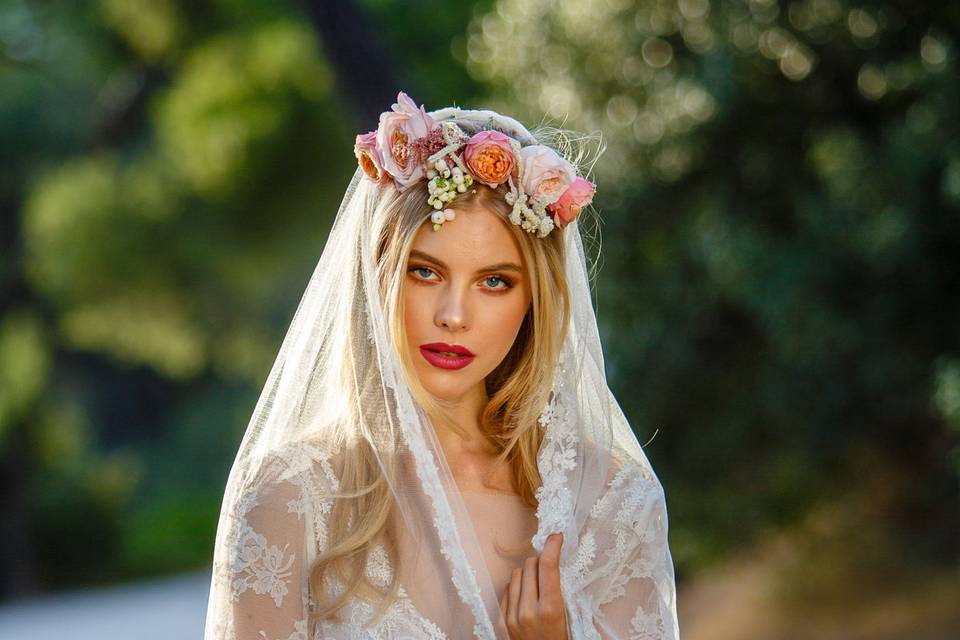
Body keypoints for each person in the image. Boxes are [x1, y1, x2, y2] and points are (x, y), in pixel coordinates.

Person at [203, 91, 679, 640]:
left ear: (534, 303)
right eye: (425, 272)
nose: (454, 316)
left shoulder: (612, 508)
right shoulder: (293, 495)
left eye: (495, 282)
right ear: (379, 274)